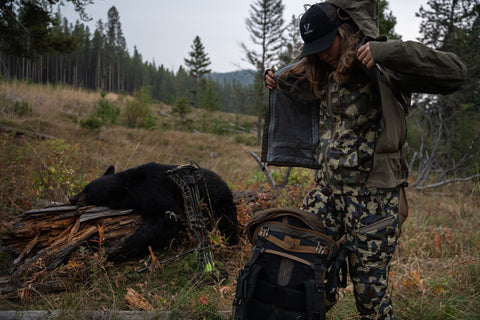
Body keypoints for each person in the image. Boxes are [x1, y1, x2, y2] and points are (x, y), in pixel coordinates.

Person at [262, 1, 466, 319]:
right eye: (312, 47)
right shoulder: (321, 67)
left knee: (369, 294)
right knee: (295, 260)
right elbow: (301, 90)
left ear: (345, 30)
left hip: (375, 200)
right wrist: (279, 80)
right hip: (328, 192)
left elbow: (455, 73)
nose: (319, 52)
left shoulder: (382, 66)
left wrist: (388, 52)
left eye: (325, 43)